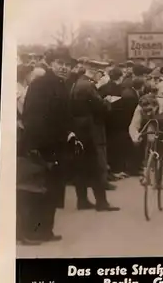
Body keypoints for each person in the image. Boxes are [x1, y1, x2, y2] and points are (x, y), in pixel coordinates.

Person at [20, 47, 83, 243]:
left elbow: (65, 116)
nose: (64, 68)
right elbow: (33, 117)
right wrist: (39, 146)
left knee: (52, 190)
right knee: (36, 190)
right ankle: (29, 232)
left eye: (67, 65)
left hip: (56, 145)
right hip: (42, 146)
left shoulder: (61, 84)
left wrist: (71, 133)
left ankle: (46, 230)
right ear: (51, 64)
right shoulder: (40, 84)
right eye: (60, 64)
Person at [69, 59, 120, 211]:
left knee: (81, 167)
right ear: (93, 71)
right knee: (97, 166)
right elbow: (99, 106)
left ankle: (82, 200)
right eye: (100, 72)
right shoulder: (88, 86)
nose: (101, 75)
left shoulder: (76, 84)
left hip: (80, 129)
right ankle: (101, 202)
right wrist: (107, 102)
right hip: (92, 129)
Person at [129, 93, 163, 190]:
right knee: (150, 139)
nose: (148, 113)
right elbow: (133, 126)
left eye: (150, 110)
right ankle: (147, 170)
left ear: (156, 105)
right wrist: (135, 137)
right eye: (145, 111)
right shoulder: (139, 109)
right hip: (154, 123)